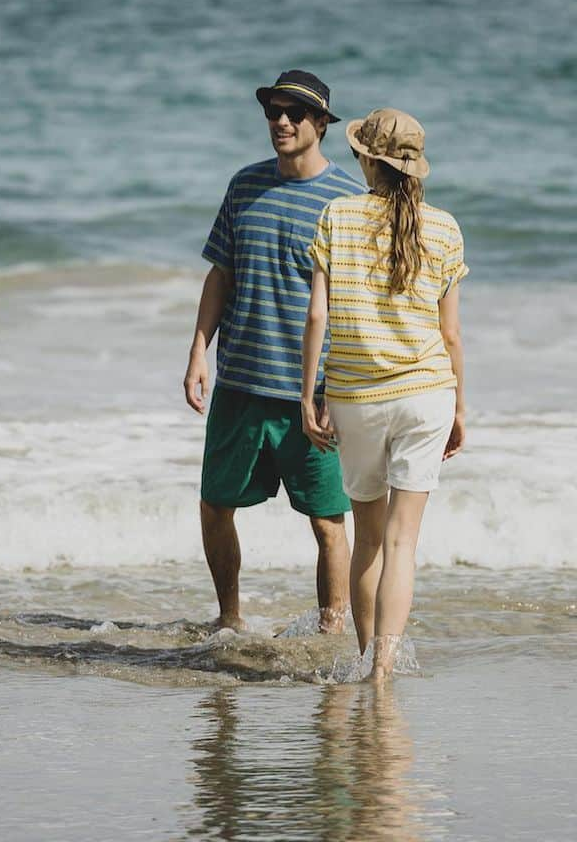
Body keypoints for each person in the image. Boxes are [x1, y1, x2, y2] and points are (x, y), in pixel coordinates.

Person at [183, 69, 360, 632]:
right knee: (215, 505)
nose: (281, 121)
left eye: (295, 113)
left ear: (322, 124)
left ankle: (334, 630)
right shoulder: (244, 185)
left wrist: (340, 386)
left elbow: (359, 305)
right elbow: (220, 274)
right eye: (273, 111)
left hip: (315, 396)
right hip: (239, 384)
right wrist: (197, 352)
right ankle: (229, 619)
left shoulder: (351, 200)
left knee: (329, 521)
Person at [301, 108, 467, 681]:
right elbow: (450, 334)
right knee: (403, 544)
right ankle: (384, 671)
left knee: (367, 536)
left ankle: (365, 654)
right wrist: (461, 408)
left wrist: (307, 396)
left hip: (356, 396)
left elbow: (318, 314)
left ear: (368, 159)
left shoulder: (337, 216)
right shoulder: (443, 228)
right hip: (426, 393)